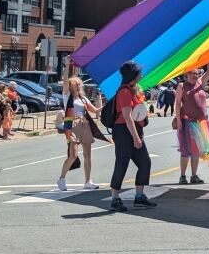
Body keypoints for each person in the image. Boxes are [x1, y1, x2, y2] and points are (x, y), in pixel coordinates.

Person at [108, 61, 156, 212]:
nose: (141, 74)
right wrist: (136, 138)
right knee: (122, 163)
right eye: (139, 72)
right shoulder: (124, 92)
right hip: (124, 131)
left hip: (135, 130)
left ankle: (139, 197)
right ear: (133, 75)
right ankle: (115, 199)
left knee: (145, 162)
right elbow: (127, 117)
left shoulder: (134, 90)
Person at [57, 56, 104, 192]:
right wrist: (67, 66)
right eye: (75, 83)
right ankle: (61, 178)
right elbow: (65, 81)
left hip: (84, 124)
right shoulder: (67, 96)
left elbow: (95, 111)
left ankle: (88, 181)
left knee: (88, 155)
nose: (78, 85)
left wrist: (100, 100)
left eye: (79, 83)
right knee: (73, 155)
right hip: (72, 124)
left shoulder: (83, 98)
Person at [176, 63, 209, 185]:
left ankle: (194, 175)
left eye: (197, 73)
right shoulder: (182, 86)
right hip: (187, 122)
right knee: (185, 150)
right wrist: (178, 120)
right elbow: (177, 104)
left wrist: (207, 57)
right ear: (186, 74)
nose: (195, 75)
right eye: (193, 73)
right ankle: (182, 176)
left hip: (200, 123)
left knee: (196, 151)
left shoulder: (200, 82)